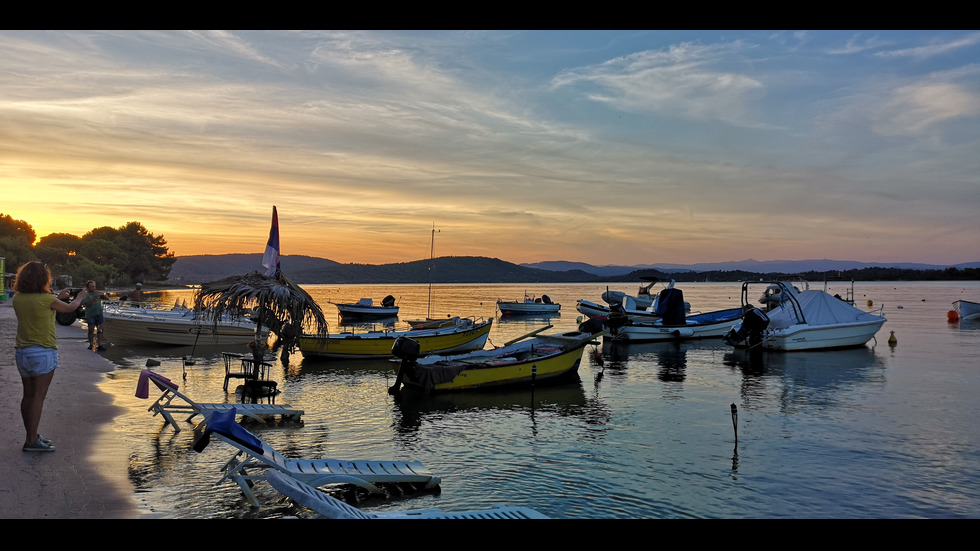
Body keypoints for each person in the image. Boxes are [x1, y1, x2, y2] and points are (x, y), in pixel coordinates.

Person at [12, 261, 88, 452]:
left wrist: (58, 297)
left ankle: (32, 436)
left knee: (28, 396)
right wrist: (79, 297)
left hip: (22, 352)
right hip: (43, 351)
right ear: (42, 279)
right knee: (38, 397)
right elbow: (71, 309)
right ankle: (31, 441)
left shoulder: (18, 298)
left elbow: (41, 303)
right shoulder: (47, 300)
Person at [80, 280, 106, 351]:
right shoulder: (86, 295)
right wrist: (94, 298)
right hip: (90, 314)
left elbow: (106, 298)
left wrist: (104, 296)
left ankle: (100, 344)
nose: (93, 288)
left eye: (94, 286)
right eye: (91, 287)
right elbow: (87, 304)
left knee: (100, 330)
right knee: (91, 330)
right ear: (88, 287)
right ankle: (91, 344)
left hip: (99, 313)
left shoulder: (97, 292)